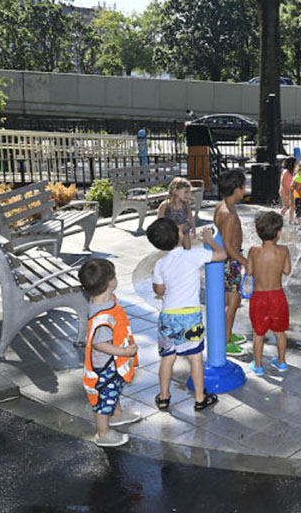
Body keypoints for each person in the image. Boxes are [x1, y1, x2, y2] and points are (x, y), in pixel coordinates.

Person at [148, 218, 225, 413]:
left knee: (167, 358)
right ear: (180, 235)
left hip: (167, 317)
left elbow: (159, 289)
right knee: (195, 357)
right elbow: (221, 254)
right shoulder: (194, 255)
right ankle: (200, 399)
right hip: (189, 317)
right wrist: (209, 239)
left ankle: (164, 397)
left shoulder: (160, 264)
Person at [79, 258, 140, 447]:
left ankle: (117, 414)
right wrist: (124, 352)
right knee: (104, 397)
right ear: (111, 283)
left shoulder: (104, 301)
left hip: (111, 362)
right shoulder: (103, 316)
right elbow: (100, 344)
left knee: (115, 388)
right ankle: (103, 433)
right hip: (105, 365)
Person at [245, 212, 291, 376]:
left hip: (259, 298)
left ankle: (258, 365)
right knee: (279, 332)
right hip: (277, 297)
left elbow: (249, 272)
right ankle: (281, 361)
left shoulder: (253, 251)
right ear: (279, 233)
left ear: (257, 233)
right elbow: (287, 271)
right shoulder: (284, 250)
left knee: (258, 333)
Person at [213, 169, 248, 355]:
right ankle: (225, 341)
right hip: (230, 261)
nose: (245, 189)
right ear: (237, 189)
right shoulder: (229, 214)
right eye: (244, 186)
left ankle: (227, 333)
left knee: (229, 301)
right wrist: (245, 261)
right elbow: (227, 245)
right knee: (233, 302)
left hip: (229, 261)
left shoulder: (222, 206)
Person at [157, 177, 195, 250]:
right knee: (177, 251)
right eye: (185, 192)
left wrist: (194, 230)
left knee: (188, 250)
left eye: (189, 192)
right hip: (172, 233)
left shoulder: (186, 204)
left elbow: (190, 217)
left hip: (185, 230)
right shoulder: (165, 205)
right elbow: (159, 223)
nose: (187, 195)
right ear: (176, 191)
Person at [279, 157, 297, 225]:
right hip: (285, 191)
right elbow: (283, 182)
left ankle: (290, 219)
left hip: (289, 190)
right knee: (286, 206)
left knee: (292, 205)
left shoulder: (290, 171)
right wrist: (286, 190)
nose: (296, 165)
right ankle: (281, 218)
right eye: (295, 164)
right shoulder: (286, 171)